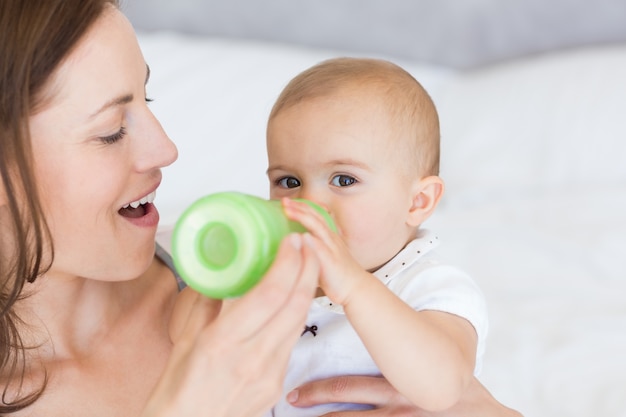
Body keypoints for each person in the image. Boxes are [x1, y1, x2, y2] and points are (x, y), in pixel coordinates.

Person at [0, 1, 522, 416]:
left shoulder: (418, 286)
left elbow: (445, 379)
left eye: (147, 101)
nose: (167, 150)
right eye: (111, 131)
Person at [262, 57, 487, 416]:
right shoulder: (276, 277)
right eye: (289, 182)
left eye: (344, 180)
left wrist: (352, 287)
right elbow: (184, 342)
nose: (309, 203)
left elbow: (444, 387)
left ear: (418, 201)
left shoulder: (430, 286)